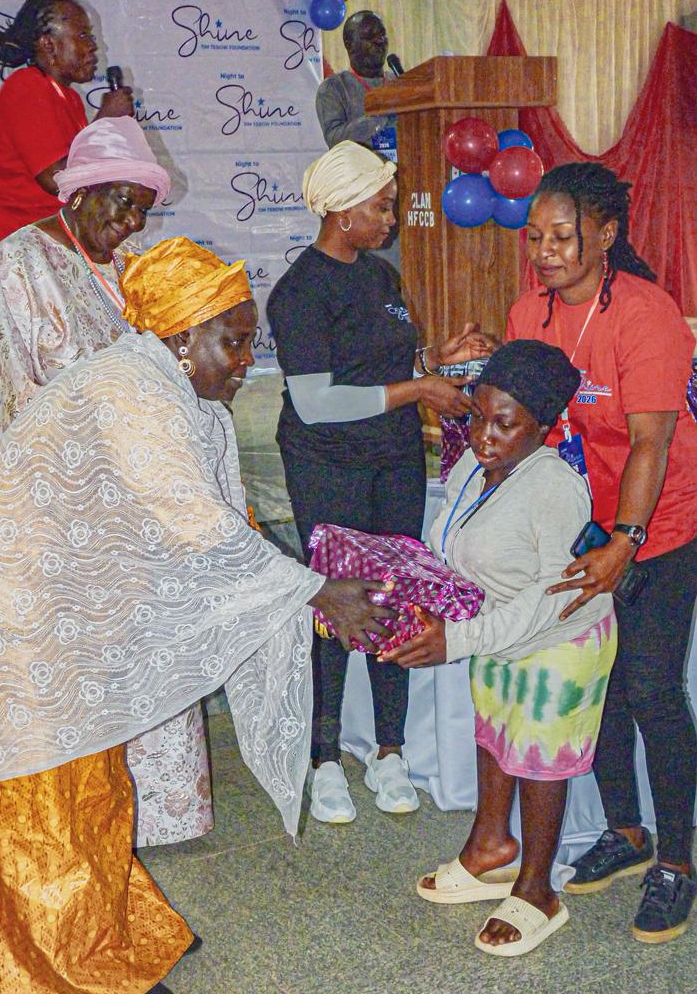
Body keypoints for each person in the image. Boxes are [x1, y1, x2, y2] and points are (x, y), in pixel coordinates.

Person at [0, 237, 393, 994]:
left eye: (249, 342)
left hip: (51, 581)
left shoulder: (177, 389)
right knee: (44, 766)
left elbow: (216, 524)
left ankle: (101, 921)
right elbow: (195, 522)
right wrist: (313, 591)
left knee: (88, 755)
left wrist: (292, 588)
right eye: (233, 343)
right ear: (183, 337)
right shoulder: (134, 388)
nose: (246, 362)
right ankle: (51, 949)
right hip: (0, 579)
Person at [0, 116, 212, 851]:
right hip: (57, 508)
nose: (131, 222)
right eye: (123, 203)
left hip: (139, 507)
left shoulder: (132, 268)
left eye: (143, 209)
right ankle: (86, 833)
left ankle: (152, 820)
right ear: (80, 193)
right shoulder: (18, 262)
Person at [267, 140, 492, 825]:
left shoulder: (380, 276)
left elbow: (384, 366)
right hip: (326, 461)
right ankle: (324, 759)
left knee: (397, 592)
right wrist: (418, 390)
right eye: (382, 207)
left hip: (393, 457)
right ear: (341, 210)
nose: (391, 219)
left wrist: (435, 363)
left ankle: (389, 751)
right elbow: (316, 402)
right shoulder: (299, 293)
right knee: (337, 602)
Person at [506, 162, 697, 943]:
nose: (545, 252)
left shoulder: (648, 315)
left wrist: (627, 540)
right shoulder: (531, 310)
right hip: (584, 525)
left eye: (562, 236)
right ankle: (626, 832)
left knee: (651, 687)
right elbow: (530, 417)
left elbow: (652, 442)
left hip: (662, 523)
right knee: (600, 681)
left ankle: (677, 862)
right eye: (535, 238)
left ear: (606, 234)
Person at [381, 340, 616, 957]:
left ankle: (538, 889)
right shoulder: (471, 466)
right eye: (479, 416)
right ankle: (490, 845)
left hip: (558, 639)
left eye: (504, 424)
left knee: (538, 757)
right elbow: (454, 549)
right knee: (495, 737)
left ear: (543, 426)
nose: (484, 435)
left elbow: (555, 597)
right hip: (496, 632)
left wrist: (457, 637)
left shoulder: (555, 488)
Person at [0, 0, 134, 319]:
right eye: (83, 36)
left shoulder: (68, 98)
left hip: (42, 249)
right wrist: (104, 122)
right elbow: (57, 179)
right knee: (4, 353)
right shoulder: (27, 87)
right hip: (3, 252)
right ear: (49, 44)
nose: (94, 47)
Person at [316, 10, 396, 157]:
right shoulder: (333, 88)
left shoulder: (399, 83)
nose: (380, 41)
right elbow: (335, 139)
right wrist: (379, 118)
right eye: (370, 36)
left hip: (405, 168)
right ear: (350, 44)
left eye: (382, 34)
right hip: (361, 169)